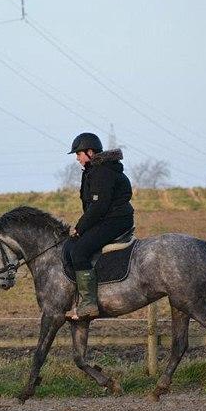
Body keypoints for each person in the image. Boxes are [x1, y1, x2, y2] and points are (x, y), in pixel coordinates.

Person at [64, 132, 134, 320]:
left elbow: (98, 206)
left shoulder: (101, 171)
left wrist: (80, 228)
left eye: (78, 154)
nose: (77, 158)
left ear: (90, 152)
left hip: (115, 220)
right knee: (70, 245)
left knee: (79, 251)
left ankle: (88, 304)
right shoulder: (94, 170)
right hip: (108, 218)